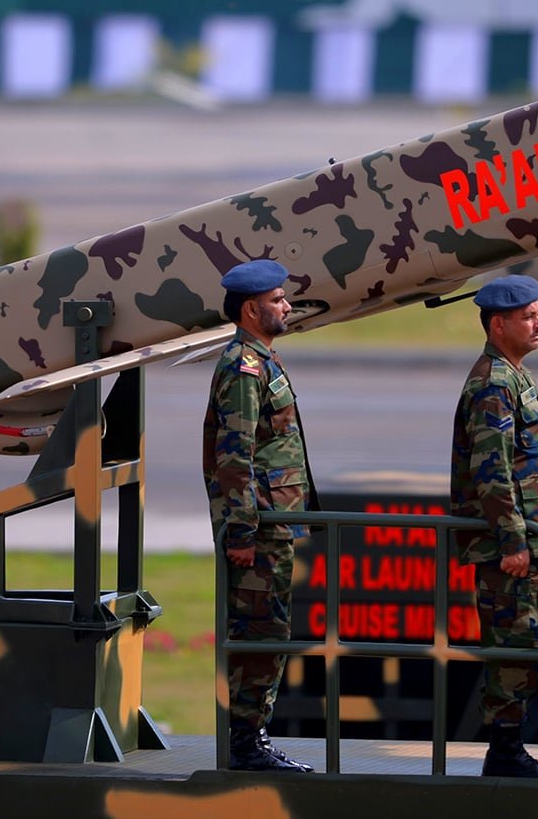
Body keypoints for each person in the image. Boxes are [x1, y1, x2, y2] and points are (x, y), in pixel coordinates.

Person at [451, 275, 538, 779]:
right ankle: (504, 752)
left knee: (526, 645)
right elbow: (493, 469)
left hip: (531, 544)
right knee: (513, 648)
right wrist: (511, 541)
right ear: (498, 324)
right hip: (513, 550)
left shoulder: (513, 375)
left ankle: (511, 748)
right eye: (527, 316)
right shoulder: (493, 383)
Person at [203, 258, 317, 773]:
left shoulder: (260, 360)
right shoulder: (244, 368)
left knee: (268, 632)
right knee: (259, 634)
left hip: (273, 524)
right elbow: (236, 455)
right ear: (251, 310)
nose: (287, 305)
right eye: (276, 300)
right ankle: (246, 744)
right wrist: (245, 530)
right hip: (260, 528)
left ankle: (251, 737)